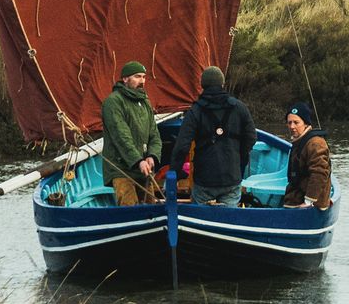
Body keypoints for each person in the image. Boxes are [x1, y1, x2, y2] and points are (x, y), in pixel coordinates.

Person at [169, 66, 256, 208]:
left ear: (202, 85)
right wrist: (238, 158)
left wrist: (176, 172)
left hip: (204, 180)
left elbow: (182, 146)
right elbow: (251, 137)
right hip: (231, 177)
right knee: (229, 217)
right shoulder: (240, 107)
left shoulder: (195, 111)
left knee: (200, 217)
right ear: (222, 84)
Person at [101, 60, 162, 205]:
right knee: (129, 207)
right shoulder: (113, 102)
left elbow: (154, 133)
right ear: (125, 79)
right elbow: (121, 136)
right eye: (137, 76)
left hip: (143, 168)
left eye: (143, 77)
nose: (142, 81)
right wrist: (137, 161)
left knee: (151, 207)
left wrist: (152, 155)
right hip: (121, 168)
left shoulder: (145, 101)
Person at [283, 102, 331, 211]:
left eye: (296, 122)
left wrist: (309, 201)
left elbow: (319, 173)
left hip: (310, 205)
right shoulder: (298, 141)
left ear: (305, 123)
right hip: (295, 198)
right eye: (289, 122)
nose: (292, 126)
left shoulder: (316, 143)